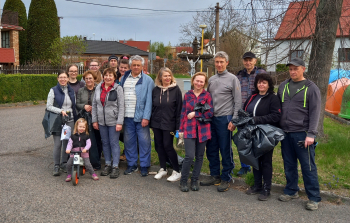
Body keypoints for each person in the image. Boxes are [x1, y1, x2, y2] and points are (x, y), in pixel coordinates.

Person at [277, 58, 322, 211]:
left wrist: (311, 134)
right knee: (289, 165)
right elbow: (278, 109)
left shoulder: (311, 88)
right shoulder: (283, 86)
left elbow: (315, 113)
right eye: (290, 69)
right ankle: (291, 190)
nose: (292, 72)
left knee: (308, 167)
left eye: (295, 69)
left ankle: (314, 197)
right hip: (285, 133)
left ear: (303, 69)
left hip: (302, 134)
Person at [201, 51, 242, 192]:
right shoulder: (211, 79)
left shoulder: (233, 79)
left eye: (221, 62)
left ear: (227, 63)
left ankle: (226, 177)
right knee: (211, 148)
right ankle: (214, 175)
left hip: (225, 118)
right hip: (211, 118)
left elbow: (238, 102)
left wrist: (234, 120)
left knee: (225, 149)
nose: (219, 64)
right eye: (217, 62)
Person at [242, 73, 281, 201]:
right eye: (259, 82)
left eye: (264, 82)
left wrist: (257, 119)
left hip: (266, 134)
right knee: (255, 160)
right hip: (252, 133)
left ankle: (266, 189)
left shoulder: (273, 98)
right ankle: (257, 185)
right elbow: (245, 110)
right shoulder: (252, 96)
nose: (261, 84)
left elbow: (276, 116)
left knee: (266, 161)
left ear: (268, 85)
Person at [120, 55, 155, 177]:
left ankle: (144, 165)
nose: (136, 67)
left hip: (141, 118)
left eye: (138, 65)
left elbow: (150, 101)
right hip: (127, 116)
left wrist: (146, 117)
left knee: (144, 142)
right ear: (130, 65)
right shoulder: (124, 78)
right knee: (129, 142)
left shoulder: (148, 80)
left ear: (142, 66)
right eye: (134, 65)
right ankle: (132, 164)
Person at [179, 72, 213, 192]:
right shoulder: (187, 95)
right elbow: (183, 113)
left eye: (201, 82)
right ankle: (183, 180)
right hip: (189, 128)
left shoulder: (207, 95)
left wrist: (196, 113)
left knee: (199, 156)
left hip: (203, 129)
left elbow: (210, 113)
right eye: (197, 81)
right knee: (189, 156)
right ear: (193, 81)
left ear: (204, 83)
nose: (199, 83)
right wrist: (181, 130)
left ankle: (194, 180)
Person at [236, 52, 266, 176]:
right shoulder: (239, 75)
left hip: (256, 111)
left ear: (255, 60)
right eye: (245, 60)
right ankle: (245, 165)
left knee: (256, 139)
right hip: (242, 113)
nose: (248, 62)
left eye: (250, 60)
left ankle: (258, 165)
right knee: (242, 140)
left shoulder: (261, 74)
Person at [150, 67, 182, 181]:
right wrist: (151, 123)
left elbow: (179, 110)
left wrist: (178, 127)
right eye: (165, 76)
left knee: (168, 146)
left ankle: (177, 170)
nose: (167, 78)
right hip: (156, 123)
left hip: (169, 123)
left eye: (169, 75)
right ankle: (163, 169)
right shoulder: (156, 90)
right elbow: (152, 107)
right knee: (158, 146)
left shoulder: (176, 90)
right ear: (160, 77)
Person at [92, 68, 125, 179]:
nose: (108, 77)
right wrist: (94, 120)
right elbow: (95, 105)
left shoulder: (118, 88)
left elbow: (121, 107)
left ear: (114, 77)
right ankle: (107, 164)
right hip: (101, 121)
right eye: (106, 75)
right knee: (105, 143)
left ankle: (115, 166)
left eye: (110, 75)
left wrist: (119, 122)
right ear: (103, 76)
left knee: (114, 143)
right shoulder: (98, 88)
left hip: (114, 121)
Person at [46, 70, 77, 176]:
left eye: (65, 77)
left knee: (66, 143)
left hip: (69, 121)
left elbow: (74, 105)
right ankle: (56, 165)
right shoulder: (53, 90)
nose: (63, 79)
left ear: (68, 79)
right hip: (57, 121)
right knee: (58, 144)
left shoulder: (71, 90)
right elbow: (48, 106)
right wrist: (61, 111)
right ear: (57, 79)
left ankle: (64, 163)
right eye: (61, 77)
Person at [76, 70, 103, 170]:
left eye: (90, 78)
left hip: (96, 117)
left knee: (96, 140)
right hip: (84, 118)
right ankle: (85, 162)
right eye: (86, 78)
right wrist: (84, 106)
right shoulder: (81, 90)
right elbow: (77, 104)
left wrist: (94, 109)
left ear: (94, 79)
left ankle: (96, 161)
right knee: (85, 140)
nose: (88, 80)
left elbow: (102, 102)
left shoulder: (99, 89)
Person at [116, 55, 130, 161]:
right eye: (121, 67)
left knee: (126, 132)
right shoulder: (115, 78)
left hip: (127, 109)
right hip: (115, 109)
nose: (123, 69)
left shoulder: (129, 79)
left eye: (125, 68)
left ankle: (126, 153)